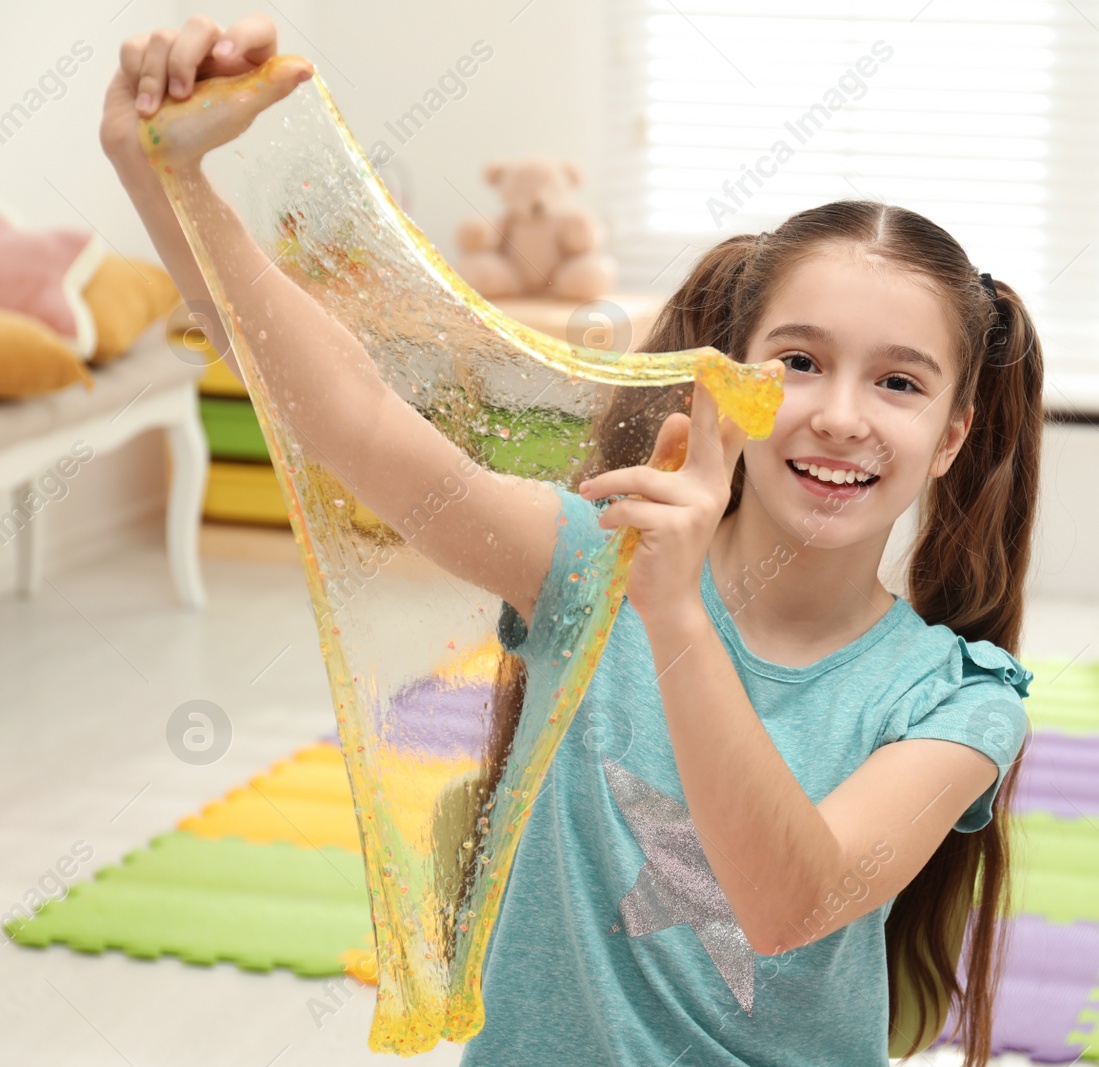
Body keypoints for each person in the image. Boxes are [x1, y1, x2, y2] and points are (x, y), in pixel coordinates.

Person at [102, 15, 1044, 1067]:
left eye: (899, 382)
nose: (840, 414)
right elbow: (353, 413)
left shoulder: (959, 698)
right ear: (724, 378)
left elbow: (794, 901)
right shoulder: (586, 564)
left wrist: (677, 608)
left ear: (952, 435)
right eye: (798, 361)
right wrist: (165, 176)